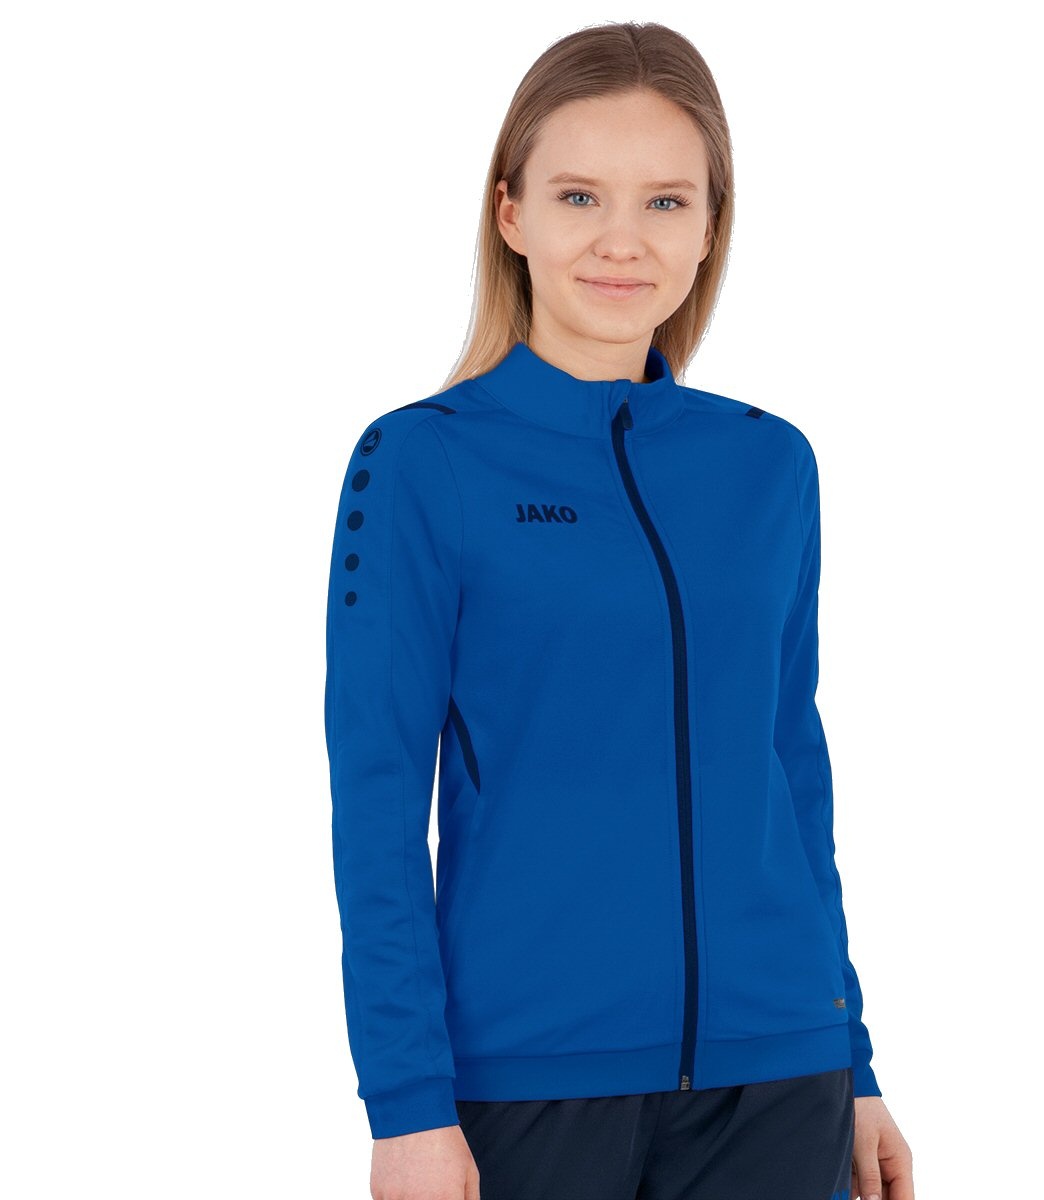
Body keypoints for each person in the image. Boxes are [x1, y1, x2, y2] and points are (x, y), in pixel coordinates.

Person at [324, 20, 915, 1200]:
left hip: (781, 1070)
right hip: (530, 1080)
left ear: (710, 227)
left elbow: (790, 774)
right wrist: (406, 1103)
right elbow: (377, 802)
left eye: (665, 202)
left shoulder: (769, 464)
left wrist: (852, 1060)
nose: (621, 239)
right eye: (580, 195)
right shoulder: (422, 463)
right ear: (511, 213)